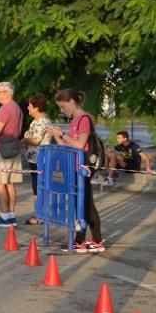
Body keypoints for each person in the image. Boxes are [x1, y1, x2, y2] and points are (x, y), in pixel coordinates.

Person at [47, 89, 105, 253]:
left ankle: (82, 241)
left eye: (63, 106)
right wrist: (57, 135)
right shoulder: (75, 120)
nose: (61, 110)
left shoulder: (84, 119)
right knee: (84, 204)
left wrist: (63, 133)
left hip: (84, 166)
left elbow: (80, 145)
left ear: (72, 102)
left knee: (84, 205)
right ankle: (94, 240)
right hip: (76, 165)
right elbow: (67, 145)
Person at [0, 82, 24, 226]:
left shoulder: (5, 109)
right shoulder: (17, 108)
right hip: (13, 147)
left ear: (6, 93)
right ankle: (11, 216)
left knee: (0, 183)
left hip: (0, 149)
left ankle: (4, 216)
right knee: (10, 184)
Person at [22, 94, 52, 225]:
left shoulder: (42, 122)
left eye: (30, 106)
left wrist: (25, 140)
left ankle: (41, 215)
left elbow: (36, 140)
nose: (28, 108)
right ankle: (39, 213)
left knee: (39, 188)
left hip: (41, 159)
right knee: (36, 187)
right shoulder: (36, 121)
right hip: (34, 158)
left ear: (37, 107)